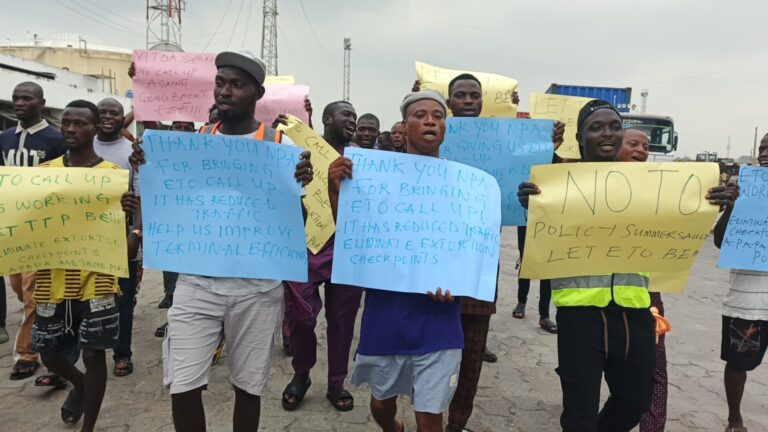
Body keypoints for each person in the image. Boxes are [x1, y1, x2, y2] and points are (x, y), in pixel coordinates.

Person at [518, 99, 736, 432]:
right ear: (580, 137)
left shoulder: (654, 186)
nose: (607, 133)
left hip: (635, 310)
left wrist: (712, 202)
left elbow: (682, 219)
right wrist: (530, 202)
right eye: (596, 127)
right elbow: (542, 234)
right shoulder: (558, 184)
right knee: (580, 413)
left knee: (634, 401)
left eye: (615, 126)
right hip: (580, 315)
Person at [129, 50, 314, 432]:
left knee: (248, 386)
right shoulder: (195, 144)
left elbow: (295, 225)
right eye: (220, 82)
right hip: (198, 284)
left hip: (257, 288)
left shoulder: (280, 147)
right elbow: (175, 205)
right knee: (182, 384)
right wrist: (151, 169)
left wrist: (299, 185)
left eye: (237, 84)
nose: (225, 91)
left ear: (257, 94)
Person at [335, 90, 463, 432]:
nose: (430, 120)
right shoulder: (374, 175)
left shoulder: (464, 184)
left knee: (430, 414)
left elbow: (469, 246)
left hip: (439, 315)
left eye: (437, 115)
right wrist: (337, 190)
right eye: (420, 115)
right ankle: (391, 426)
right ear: (404, 127)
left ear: (445, 127)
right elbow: (352, 235)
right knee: (380, 403)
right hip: (387, 310)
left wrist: (458, 284)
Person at [32, 99, 135, 431]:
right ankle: (80, 384)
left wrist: (127, 215)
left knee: (94, 354)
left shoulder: (112, 177)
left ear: (95, 128)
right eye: (67, 123)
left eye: (80, 124)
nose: (71, 129)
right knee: (47, 352)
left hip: (98, 279)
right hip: (53, 276)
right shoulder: (43, 175)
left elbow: (121, 240)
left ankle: (89, 424)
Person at [281, 100, 362, 413]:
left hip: (346, 251)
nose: (352, 119)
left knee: (342, 321)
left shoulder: (363, 158)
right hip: (306, 249)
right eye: (346, 114)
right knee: (301, 316)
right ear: (327, 119)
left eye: (354, 115)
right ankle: (302, 373)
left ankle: (336, 382)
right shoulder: (300, 153)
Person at [0, 81, 66, 380]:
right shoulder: (4, 139)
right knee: (18, 286)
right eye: (16, 98)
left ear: (42, 102)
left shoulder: (55, 139)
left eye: (27, 98)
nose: (20, 103)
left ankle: (27, 352)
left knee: (31, 292)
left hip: (41, 228)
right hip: (11, 226)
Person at [616, 128, 669, 432]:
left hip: (648, 296)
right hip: (600, 298)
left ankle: (652, 427)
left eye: (645, 146)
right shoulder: (589, 185)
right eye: (633, 144)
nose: (640, 150)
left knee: (655, 369)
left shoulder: (662, 188)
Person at [714, 134, 766, 432]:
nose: (765, 152)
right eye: (762, 147)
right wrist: (732, 207)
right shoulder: (742, 189)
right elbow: (720, 241)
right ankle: (735, 419)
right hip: (748, 301)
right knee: (739, 363)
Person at [94, 97, 142, 378]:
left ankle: (122, 354)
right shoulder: (82, 147)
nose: (108, 117)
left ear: (123, 117)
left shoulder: (131, 153)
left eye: (115, 113)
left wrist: (136, 232)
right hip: (85, 237)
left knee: (122, 300)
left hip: (121, 235)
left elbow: (140, 196)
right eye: (103, 112)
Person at [155, 120, 196, 338]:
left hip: (198, 230)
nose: (182, 132)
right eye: (177, 127)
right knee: (172, 280)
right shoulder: (161, 155)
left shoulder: (204, 155)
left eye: (187, 128)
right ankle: (173, 321)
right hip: (171, 228)